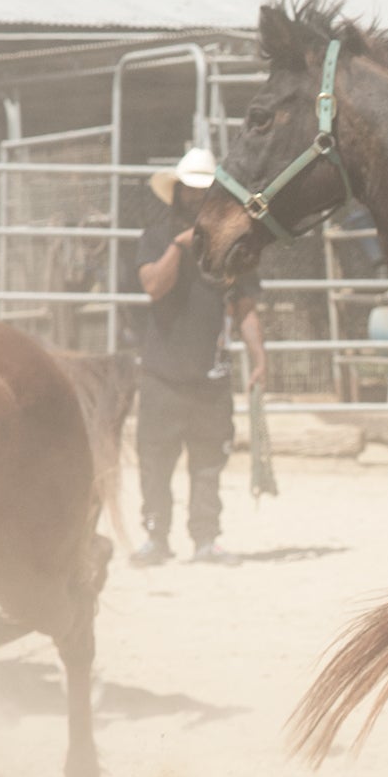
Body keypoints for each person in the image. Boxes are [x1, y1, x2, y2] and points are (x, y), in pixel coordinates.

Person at [130, 148, 265, 566]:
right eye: (191, 190)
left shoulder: (232, 246)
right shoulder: (155, 238)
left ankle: (206, 539)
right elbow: (153, 286)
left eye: (204, 191)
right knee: (156, 462)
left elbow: (245, 305)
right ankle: (157, 537)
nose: (196, 198)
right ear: (177, 191)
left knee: (209, 462)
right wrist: (179, 247)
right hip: (162, 374)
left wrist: (259, 358)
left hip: (211, 376)